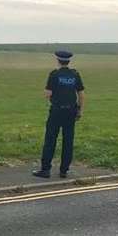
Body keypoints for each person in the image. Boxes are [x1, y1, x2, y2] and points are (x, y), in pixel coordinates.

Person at [33, 50, 85, 179]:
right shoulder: (75, 74)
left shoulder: (54, 74)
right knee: (68, 141)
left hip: (57, 111)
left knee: (50, 139)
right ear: (69, 61)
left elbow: (47, 93)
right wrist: (80, 110)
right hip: (71, 111)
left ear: (58, 60)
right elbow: (81, 94)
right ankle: (64, 170)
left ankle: (45, 169)